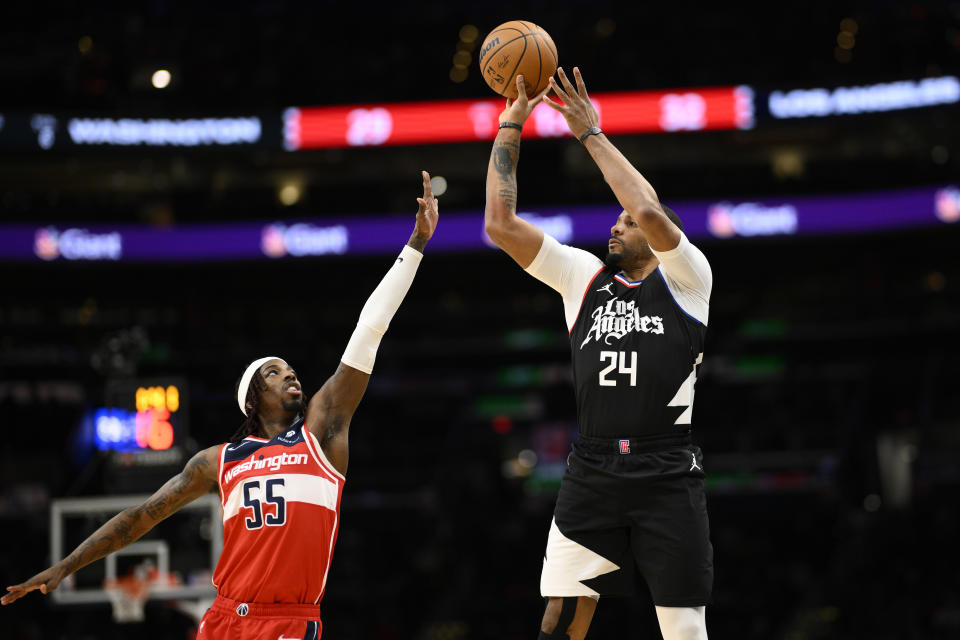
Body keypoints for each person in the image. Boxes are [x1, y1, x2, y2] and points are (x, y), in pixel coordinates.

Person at [2, 171, 440, 640]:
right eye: (274, 371)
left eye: (290, 368)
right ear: (252, 398)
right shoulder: (219, 461)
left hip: (290, 620)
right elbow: (138, 518)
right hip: (224, 619)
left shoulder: (322, 433)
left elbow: (368, 331)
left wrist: (414, 245)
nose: (291, 374)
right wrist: (64, 566)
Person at [484, 70, 714, 640]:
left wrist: (591, 133)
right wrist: (511, 122)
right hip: (593, 467)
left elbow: (652, 210)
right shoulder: (583, 277)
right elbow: (499, 224)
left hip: (666, 470)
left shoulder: (689, 279)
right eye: (616, 219)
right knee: (559, 616)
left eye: (626, 222)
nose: (617, 224)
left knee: (683, 627)